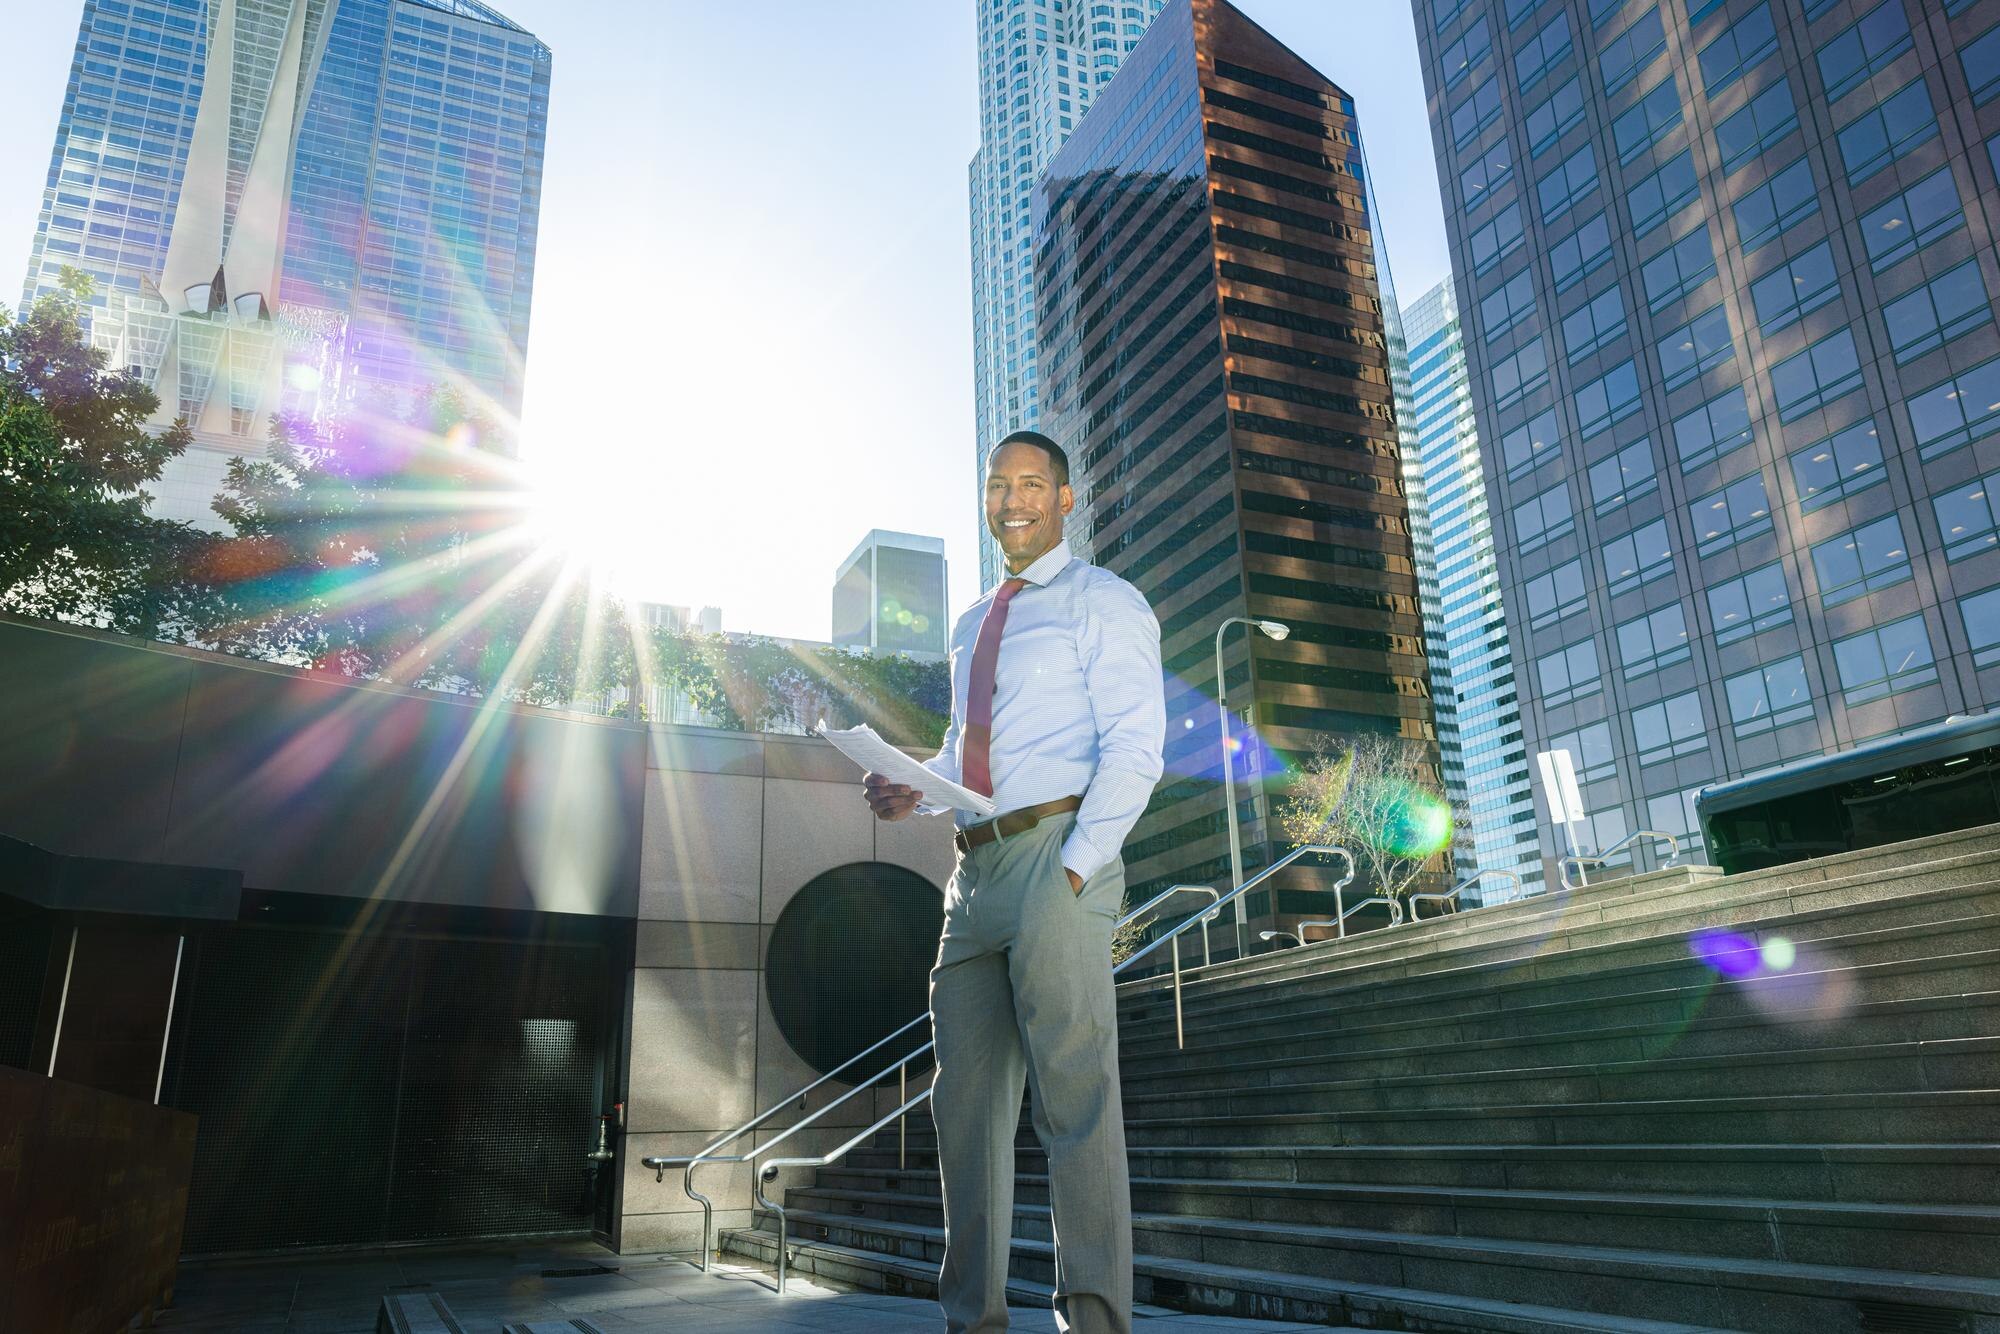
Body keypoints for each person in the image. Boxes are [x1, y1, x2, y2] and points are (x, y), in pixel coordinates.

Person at [862, 429, 1165, 1334]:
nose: (1013, 499)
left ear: (1065, 500)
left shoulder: (1104, 603)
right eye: (999, 485)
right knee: (963, 1110)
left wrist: (1076, 868)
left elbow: (1136, 750)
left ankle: (1097, 1323)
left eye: (1032, 484)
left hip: (1054, 857)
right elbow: (968, 753)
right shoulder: (972, 624)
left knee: (1075, 1106)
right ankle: (974, 1322)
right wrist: (909, 784)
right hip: (973, 874)